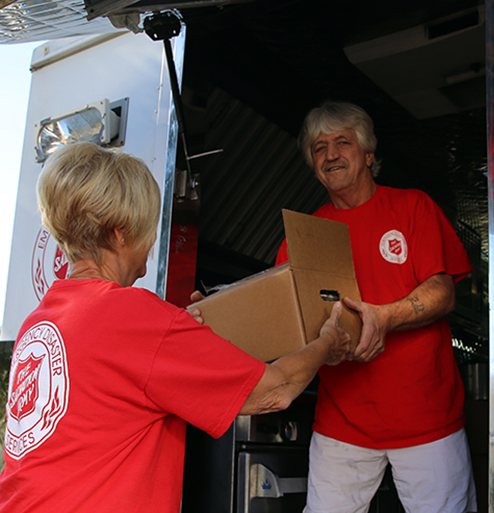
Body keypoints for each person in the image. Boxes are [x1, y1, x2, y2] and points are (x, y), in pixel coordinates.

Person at [0, 142, 353, 513]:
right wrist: (326, 343)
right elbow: (275, 390)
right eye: (148, 227)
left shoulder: (39, 321)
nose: (152, 242)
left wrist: (180, 333)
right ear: (121, 233)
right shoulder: (133, 316)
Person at [275, 101, 477, 512]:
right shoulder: (305, 234)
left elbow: (442, 290)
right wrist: (224, 309)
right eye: (318, 148)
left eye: (342, 142)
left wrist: (385, 317)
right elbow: (283, 316)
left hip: (427, 419)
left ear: (368, 155)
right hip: (341, 424)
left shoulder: (412, 207)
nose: (330, 154)